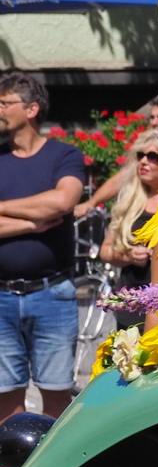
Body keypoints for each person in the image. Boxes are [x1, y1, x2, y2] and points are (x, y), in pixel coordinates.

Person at [0, 74, 87, 419]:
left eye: (5, 103)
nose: (0, 109)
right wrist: (29, 223)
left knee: (56, 394)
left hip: (53, 294)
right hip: (1, 296)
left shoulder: (64, 155)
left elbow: (63, 200)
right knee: (6, 397)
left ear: (32, 109)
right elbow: (47, 209)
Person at [101, 129, 158, 299]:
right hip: (130, 303)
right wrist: (128, 256)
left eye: (152, 156)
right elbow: (106, 251)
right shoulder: (130, 201)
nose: (143, 161)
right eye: (140, 155)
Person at [72, 95, 158, 220]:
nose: (154, 122)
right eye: (152, 117)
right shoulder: (145, 144)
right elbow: (123, 176)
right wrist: (92, 202)